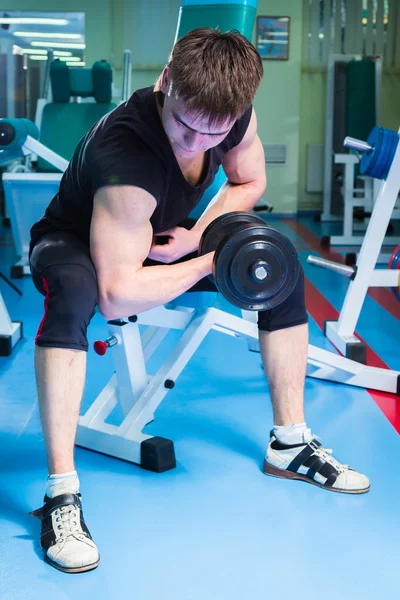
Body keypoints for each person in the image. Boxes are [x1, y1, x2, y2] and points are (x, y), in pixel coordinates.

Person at [28, 28, 370, 574]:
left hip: (162, 232)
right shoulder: (127, 157)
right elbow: (116, 297)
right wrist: (211, 262)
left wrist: (197, 234)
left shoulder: (228, 116)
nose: (194, 143)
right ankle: (60, 495)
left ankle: (289, 443)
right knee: (74, 295)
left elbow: (248, 179)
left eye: (211, 134)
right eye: (184, 125)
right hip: (75, 239)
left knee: (275, 269)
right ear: (166, 82)